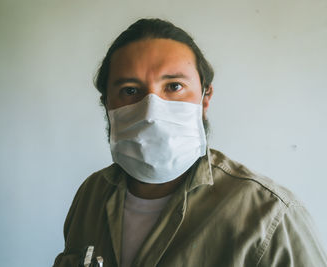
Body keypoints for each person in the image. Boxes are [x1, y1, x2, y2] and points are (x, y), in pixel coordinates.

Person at [53, 18, 327, 266]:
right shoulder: (90, 196)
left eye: (173, 86)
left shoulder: (268, 218)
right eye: (130, 91)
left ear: (205, 100)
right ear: (107, 105)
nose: (151, 113)